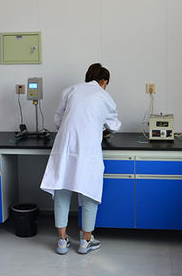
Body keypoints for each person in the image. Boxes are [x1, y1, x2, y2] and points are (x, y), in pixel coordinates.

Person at [40, 63, 121, 255]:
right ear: (104, 82)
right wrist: (102, 127)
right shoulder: (104, 95)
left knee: (62, 190)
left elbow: (58, 120)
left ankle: (62, 241)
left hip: (65, 146)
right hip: (88, 150)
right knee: (89, 192)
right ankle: (86, 241)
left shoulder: (70, 90)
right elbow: (114, 125)